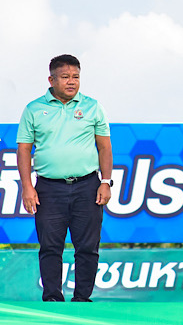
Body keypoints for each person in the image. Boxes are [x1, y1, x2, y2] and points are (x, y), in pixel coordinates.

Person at [16, 54, 113, 302]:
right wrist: (27, 187)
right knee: (50, 247)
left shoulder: (93, 107)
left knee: (88, 247)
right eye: (65, 77)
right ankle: (52, 298)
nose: (71, 82)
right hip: (48, 188)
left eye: (76, 77)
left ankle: (82, 298)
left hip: (87, 186)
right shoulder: (33, 109)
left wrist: (105, 182)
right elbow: (24, 149)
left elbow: (104, 147)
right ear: (51, 80)